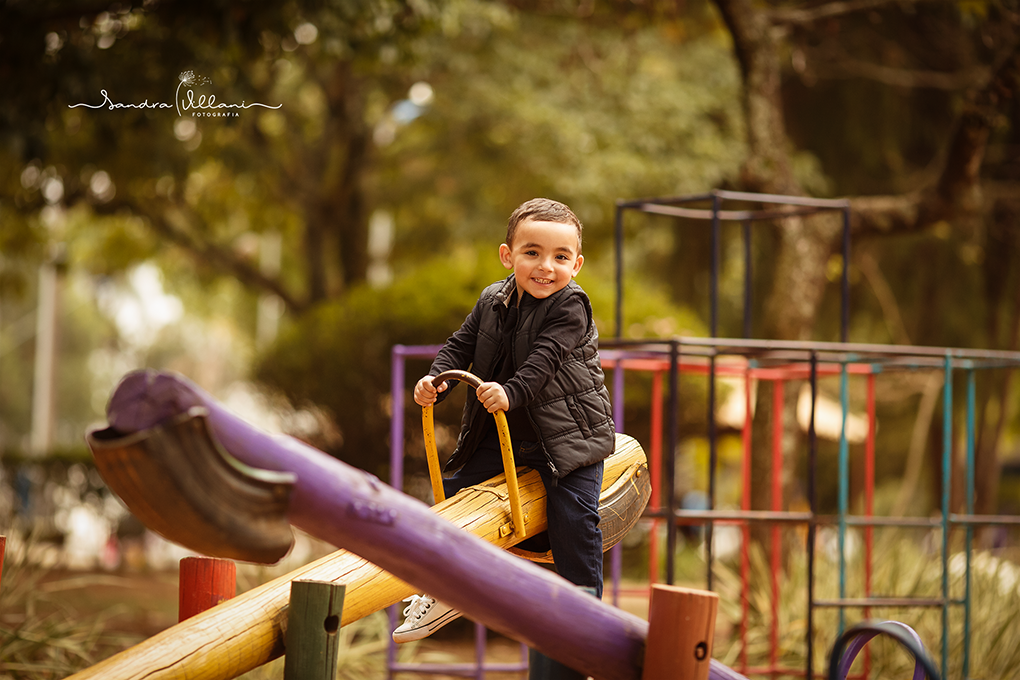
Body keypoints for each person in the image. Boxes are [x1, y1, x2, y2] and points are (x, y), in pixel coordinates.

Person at [394, 197, 616, 645]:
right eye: (531, 252)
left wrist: (511, 392)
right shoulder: (492, 299)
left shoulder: (571, 305)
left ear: (577, 264)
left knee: (574, 521)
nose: (545, 267)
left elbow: (543, 361)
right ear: (507, 255)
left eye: (561, 257)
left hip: (568, 437)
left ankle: (587, 618)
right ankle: (442, 591)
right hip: (507, 435)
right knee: (455, 500)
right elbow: (461, 344)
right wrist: (437, 379)